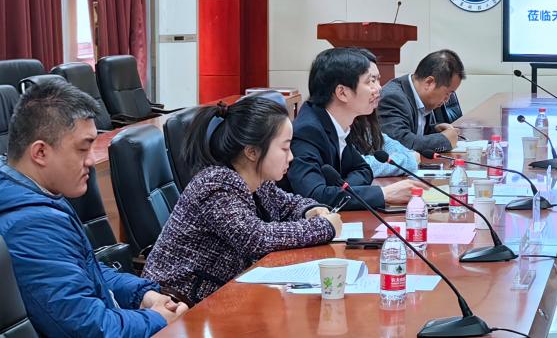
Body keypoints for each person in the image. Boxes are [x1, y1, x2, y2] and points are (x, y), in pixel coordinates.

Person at [0, 79, 185, 336]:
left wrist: (142, 295)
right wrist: (157, 319)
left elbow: (84, 270)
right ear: (40, 153)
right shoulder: (30, 226)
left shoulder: (27, 191)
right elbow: (86, 329)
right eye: (83, 149)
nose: (91, 160)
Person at [142, 96, 343, 305]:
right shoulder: (215, 186)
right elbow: (256, 238)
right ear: (252, 152)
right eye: (284, 148)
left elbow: (287, 204)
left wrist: (310, 210)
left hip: (221, 296)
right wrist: (323, 227)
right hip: (176, 304)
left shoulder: (257, 180)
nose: (291, 156)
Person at [285, 47, 416, 209]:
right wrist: (383, 194)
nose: (379, 88)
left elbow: (363, 169)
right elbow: (313, 196)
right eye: (370, 81)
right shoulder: (308, 131)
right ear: (342, 93)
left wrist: (342, 190)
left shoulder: (335, 122)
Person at [379, 49, 466, 157]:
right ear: (429, 82)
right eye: (447, 93)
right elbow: (400, 144)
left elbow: (415, 131)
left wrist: (435, 129)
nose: (447, 100)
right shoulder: (393, 98)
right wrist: (444, 140)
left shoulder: (420, 95)